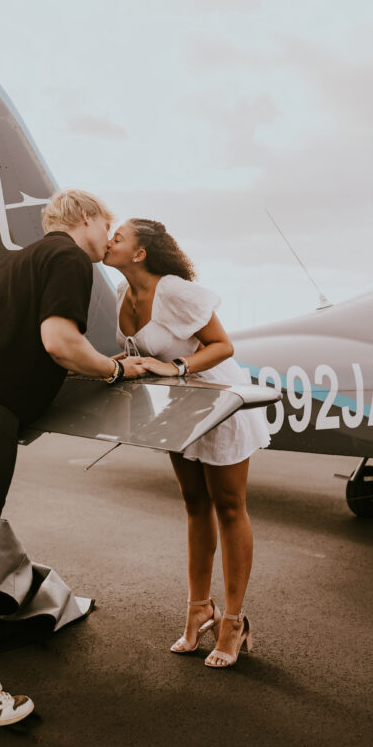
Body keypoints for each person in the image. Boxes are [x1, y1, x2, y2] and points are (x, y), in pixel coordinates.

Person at [0, 190, 146, 727]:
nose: (107, 238)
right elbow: (60, 341)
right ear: (85, 218)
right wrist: (115, 371)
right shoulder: (69, 258)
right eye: (106, 226)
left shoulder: (17, 259)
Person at [104, 218, 270, 668]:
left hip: (218, 402)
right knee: (195, 504)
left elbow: (222, 346)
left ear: (140, 253)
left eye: (116, 237)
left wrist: (175, 368)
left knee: (230, 506)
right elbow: (142, 353)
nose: (107, 240)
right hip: (177, 409)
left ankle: (233, 620)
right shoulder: (123, 294)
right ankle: (200, 609)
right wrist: (105, 365)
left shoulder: (175, 290)